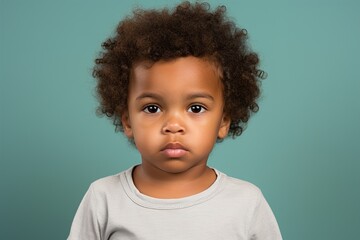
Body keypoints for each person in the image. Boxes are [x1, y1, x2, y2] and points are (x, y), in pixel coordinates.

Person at [67, 1, 282, 239]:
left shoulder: (246, 203)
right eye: (152, 108)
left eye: (196, 108)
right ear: (127, 121)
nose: (173, 125)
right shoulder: (104, 198)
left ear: (223, 121)